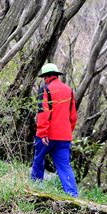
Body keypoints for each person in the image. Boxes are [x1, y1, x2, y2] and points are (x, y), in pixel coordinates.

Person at [30, 63, 79, 197]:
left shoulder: (45, 89)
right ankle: (73, 195)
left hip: (46, 136)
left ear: (46, 77)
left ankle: (35, 190)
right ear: (56, 75)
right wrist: (68, 132)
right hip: (64, 137)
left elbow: (43, 113)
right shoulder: (69, 91)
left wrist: (43, 132)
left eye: (44, 77)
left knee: (38, 161)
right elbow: (73, 117)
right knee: (64, 166)